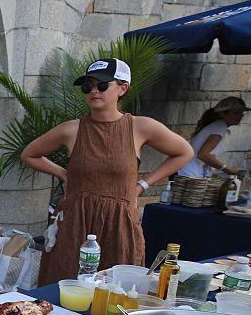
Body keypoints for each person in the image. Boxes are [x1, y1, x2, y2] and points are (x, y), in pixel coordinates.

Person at [22, 58, 192, 284]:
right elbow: (30, 154)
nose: (94, 91)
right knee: (63, 283)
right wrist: (64, 173)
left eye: (102, 85)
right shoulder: (72, 129)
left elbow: (184, 152)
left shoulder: (140, 127)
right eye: (87, 86)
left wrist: (142, 185)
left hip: (119, 222)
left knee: (118, 288)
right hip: (75, 221)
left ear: (122, 89)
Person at [177, 96, 247, 178]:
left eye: (241, 113)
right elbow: (203, 155)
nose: (240, 116)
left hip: (190, 171)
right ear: (222, 114)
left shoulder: (217, 126)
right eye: (236, 113)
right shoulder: (219, 127)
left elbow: (208, 155)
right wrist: (227, 169)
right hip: (190, 173)